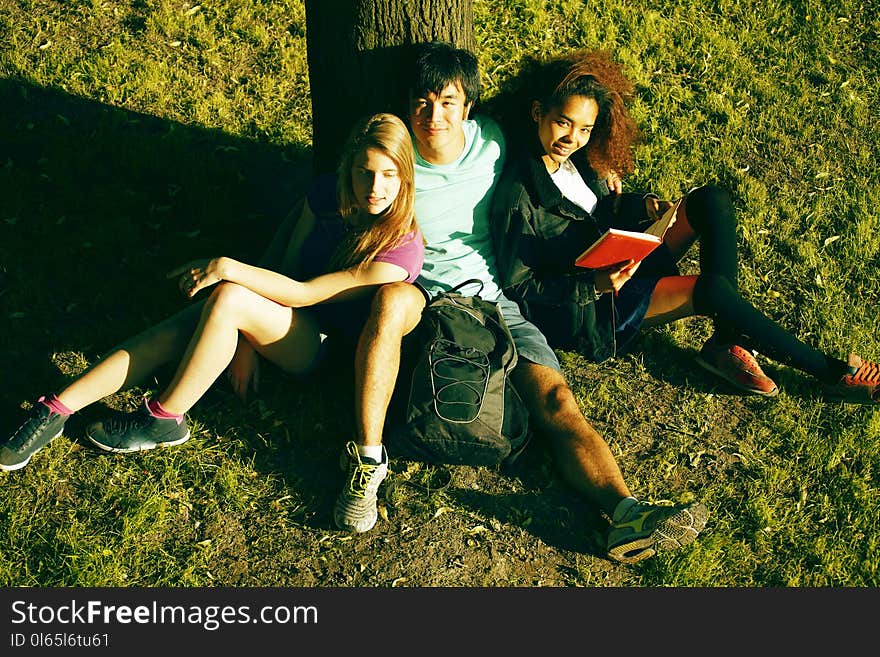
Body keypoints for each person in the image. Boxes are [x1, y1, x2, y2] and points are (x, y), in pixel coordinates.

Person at [346, 41, 708, 564]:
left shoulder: (492, 140)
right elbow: (335, 203)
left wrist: (603, 170)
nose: (433, 116)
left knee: (558, 400)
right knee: (388, 303)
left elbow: (558, 133)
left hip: (499, 298)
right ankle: (367, 463)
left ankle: (627, 514)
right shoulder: (392, 162)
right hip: (424, 293)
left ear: (468, 106)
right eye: (422, 103)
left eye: (448, 103)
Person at [0, 112, 426, 530]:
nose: (375, 187)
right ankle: (55, 409)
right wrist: (243, 339)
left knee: (227, 297)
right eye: (364, 172)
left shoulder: (401, 249)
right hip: (276, 313)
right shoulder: (326, 196)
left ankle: (164, 417)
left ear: (404, 176)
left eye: (389, 175)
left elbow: (306, 292)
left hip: (324, 346)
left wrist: (223, 266)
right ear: (348, 166)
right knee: (175, 330)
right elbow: (279, 266)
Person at [490, 49, 879, 404]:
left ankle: (725, 342)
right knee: (709, 289)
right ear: (537, 112)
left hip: (622, 262)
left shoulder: (579, 159)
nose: (572, 138)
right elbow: (519, 288)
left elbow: (598, 209)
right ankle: (833, 373)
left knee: (711, 200)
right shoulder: (518, 194)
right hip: (595, 307)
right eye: (563, 123)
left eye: (585, 129)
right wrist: (592, 285)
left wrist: (643, 205)